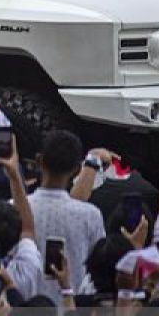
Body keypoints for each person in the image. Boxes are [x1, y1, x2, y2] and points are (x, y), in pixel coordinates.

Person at [26, 130, 106, 303]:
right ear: (76, 169)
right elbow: (100, 269)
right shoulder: (91, 216)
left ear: (39, 161)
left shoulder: (16, 207)